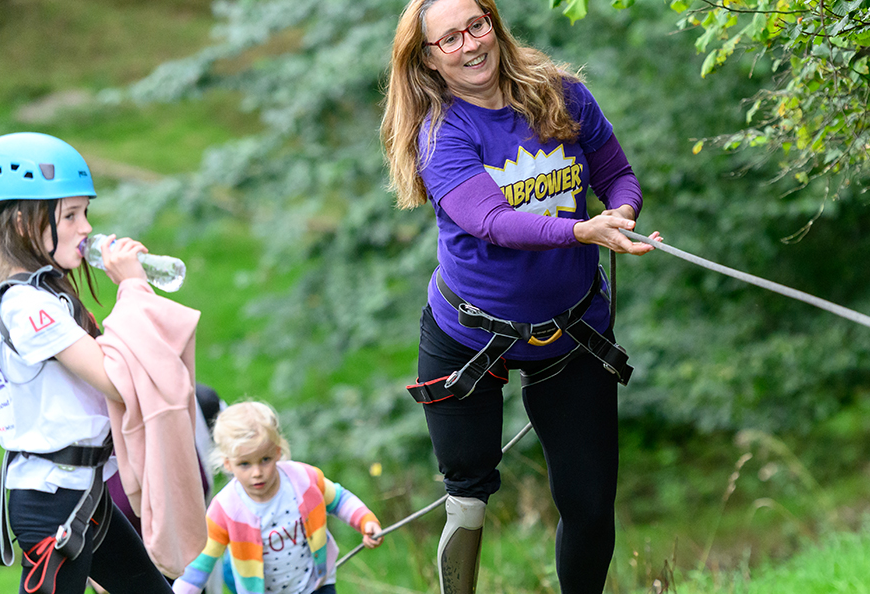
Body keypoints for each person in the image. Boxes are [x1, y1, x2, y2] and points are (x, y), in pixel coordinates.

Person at [381, 0, 660, 592]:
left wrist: (621, 212)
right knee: (469, 500)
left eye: (476, 26)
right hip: (468, 338)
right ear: (428, 59)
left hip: (574, 330)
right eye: (449, 39)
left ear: (495, 25)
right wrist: (583, 230)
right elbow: (495, 223)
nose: (469, 44)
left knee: (589, 503)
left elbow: (618, 175)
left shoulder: (561, 95)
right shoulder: (442, 132)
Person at [0, 132, 176, 594]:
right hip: (52, 500)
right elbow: (117, 379)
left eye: (86, 212)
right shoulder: (25, 305)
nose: (86, 228)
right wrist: (133, 287)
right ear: (23, 222)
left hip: (82, 492)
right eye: (69, 215)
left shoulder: (43, 294)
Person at [172, 401, 384, 594]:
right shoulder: (225, 508)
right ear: (228, 464)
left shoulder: (303, 480)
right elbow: (200, 565)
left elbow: (339, 499)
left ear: (277, 452)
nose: (257, 472)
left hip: (317, 584)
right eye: (244, 464)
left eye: (264, 459)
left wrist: (365, 521)